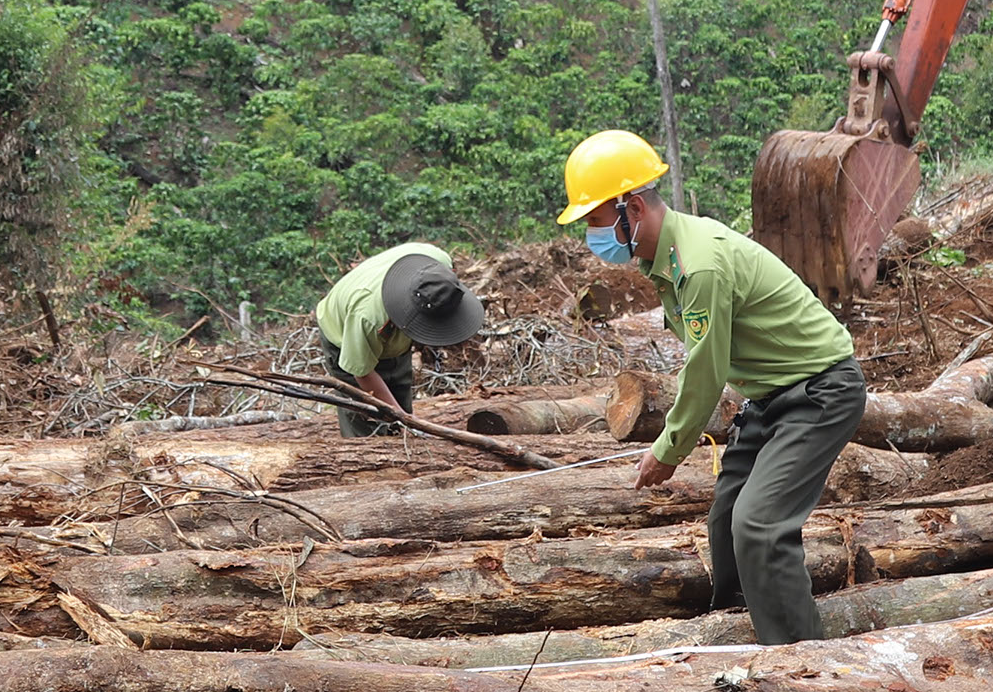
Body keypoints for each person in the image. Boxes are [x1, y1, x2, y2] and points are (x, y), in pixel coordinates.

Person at [560, 129, 865, 644]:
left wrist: (668, 450)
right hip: (772, 398)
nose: (594, 238)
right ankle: (737, 632)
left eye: (595, 222)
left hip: (819, 393)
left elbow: (704, 373)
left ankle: (804, 664)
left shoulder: (697, 263)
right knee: (726, 522)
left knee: (760, 527)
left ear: (631, 208)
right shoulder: (668, 258)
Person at [310, 240, 487, 434]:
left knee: (399, 398)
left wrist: (404, 418)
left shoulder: (437, 261)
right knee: (367, 423)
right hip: (344, 337)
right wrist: (405, 419)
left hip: (390, 337)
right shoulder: (367, 317)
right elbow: (362, 372)